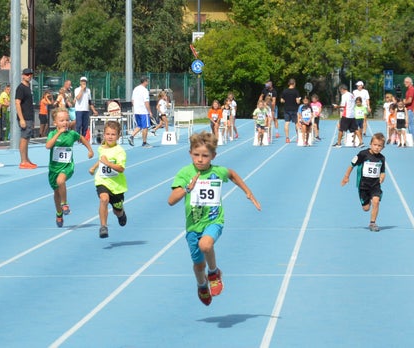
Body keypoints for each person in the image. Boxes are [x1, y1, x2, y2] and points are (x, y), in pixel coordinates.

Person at [168, 131, 261, 306]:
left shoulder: (217, 172)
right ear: (190, 154)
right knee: (198, 266)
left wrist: (248, 192)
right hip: (193, 226)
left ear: (213, 156)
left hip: (214, 220)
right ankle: (202, 284)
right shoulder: (185, 173)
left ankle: (213, 273)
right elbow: (171, 200)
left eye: (205, 156)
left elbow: (232, 174)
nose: (200, 159)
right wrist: (188, 188)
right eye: (196, 155)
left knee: (206, 244)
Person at [45, 108, 94, 228]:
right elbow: (48, 146)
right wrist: (58, 133)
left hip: (67, 166)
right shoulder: (52, 134)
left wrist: (90, 150)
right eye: (61, 120)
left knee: (60, 181)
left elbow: (82, 138)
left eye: (67, 120)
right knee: (56, 192)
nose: (65, 123)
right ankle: (59, 213)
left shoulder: (72, 134)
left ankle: (65, 203)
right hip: (54, 168)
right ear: (55, 123)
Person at [89, 120, 128, 238]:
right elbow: (101, 159)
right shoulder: (102, 147)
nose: (110, 137)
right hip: (102, 180)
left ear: (118, 136)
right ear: (104, 135)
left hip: (117, 186)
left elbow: (121, 168)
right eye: (108, 134)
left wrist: (108, 164)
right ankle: (103, 227)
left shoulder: (120, 151)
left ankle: (121, 214)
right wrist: (94, 167)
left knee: (117, 210)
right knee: (104, 199)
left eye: (113, 134)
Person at [341, 132, 386, 232]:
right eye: (375, 145)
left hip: (375, 185)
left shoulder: (382, 158)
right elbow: (352, 164)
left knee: (376, 201)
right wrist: (346, 177)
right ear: (370, 144)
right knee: (366, 208)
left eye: (380, 146)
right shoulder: (363, 154)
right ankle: (368, 200)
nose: (377, 147)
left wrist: (382, 177)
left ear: (383, 147)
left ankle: (372, 223)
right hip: (363, 185)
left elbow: (382, 171)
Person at [15, 68, 38, 169]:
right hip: (24, 117)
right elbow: (17, 103)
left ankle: (26, 159)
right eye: (27, 74)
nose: (29, 76)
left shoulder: (28, 87)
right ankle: (23, 161)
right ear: (23, 75)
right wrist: (22, 119)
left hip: (29, 116)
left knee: (27, 138)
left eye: (30, 74)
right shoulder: (21, 88)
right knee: (24, 139)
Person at [128, 77, 153, 148]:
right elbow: (146, 102)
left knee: (139, 126)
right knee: (145, 127)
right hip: (143, 111)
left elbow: (132, 100)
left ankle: (131, 136)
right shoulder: (145, 90)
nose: (148, 82)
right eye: (147, 81)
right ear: (144, 81)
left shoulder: (135, 89)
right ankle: (144, 143)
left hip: (137, 111)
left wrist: (136, 108)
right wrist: (149, 112)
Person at [280, 78, 301, 143]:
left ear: (289, 83)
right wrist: (299, 100)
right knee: (296, 123)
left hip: (286, 109)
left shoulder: (285, 91)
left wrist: (285, 100)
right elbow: (297, 101)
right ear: (294, 83)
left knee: (287, 123)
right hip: (294, 109)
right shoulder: (296, 91)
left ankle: (287, 138)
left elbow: (281, 100)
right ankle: (298, 137)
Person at [403, 76, 414, 143]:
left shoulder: (411, 89)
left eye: (406, 82)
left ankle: (413, 139)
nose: (404, 83)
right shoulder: (409, 89)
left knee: (410, 124)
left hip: (410, 109)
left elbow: (410, 100)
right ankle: (412, 139)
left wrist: (403, 102)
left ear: (409, 82)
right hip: (408, 109)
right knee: (409, 124)